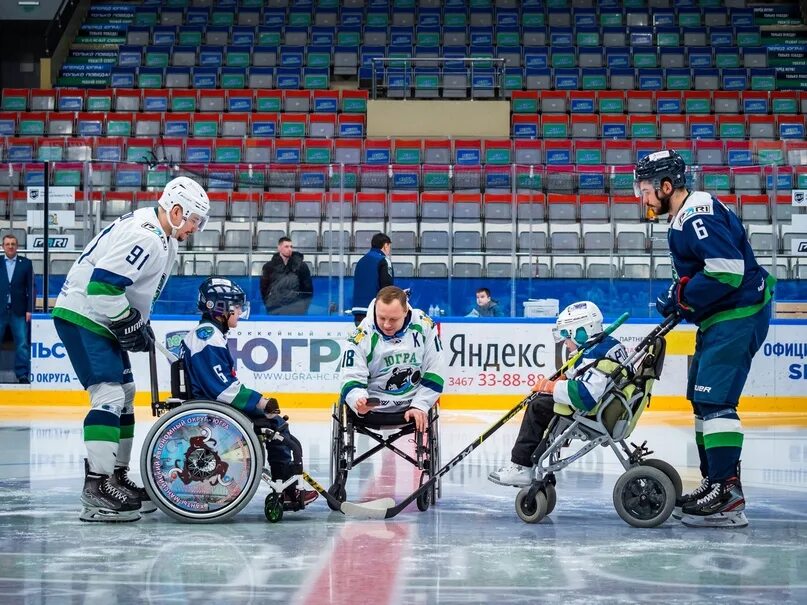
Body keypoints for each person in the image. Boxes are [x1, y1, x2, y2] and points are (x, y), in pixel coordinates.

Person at [52, 176, 210, 522]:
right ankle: (96, 487)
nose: (197, 227)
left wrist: (138, 322)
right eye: (196, 219)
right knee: (108, 395)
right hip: (85, 314)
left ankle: (114, 476)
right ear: (178, 210)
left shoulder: (164, 236)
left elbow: (132, 291)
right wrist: (127, 322)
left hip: (101, 316)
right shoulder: (146, 235)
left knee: (125, 391)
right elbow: (102, 288)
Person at [636, 149, 775, 529]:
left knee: (715, 401)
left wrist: (682, 296)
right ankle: (715, 482)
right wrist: (683, 295)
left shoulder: (698, 215)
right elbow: (704, 274)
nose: (643, 199)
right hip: (722, 317)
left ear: (667, 186)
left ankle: (728, 494)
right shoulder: (686, 216)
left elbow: (727, 272)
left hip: (739, 314)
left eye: (646, 190)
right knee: (702, 400)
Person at [180, 277, 317, 510]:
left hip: (212, 406)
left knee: (276, 424)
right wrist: (261, 402)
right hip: (213, 411)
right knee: (276, 426)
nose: (240, 310)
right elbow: (223, 390)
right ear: (219, 308)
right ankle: (287, 490)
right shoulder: (207, 337)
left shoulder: (209, 334)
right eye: (236, 306)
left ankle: (287, 487)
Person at [489, 301, 626, 487]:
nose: (565, 341)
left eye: (566, 334)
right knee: (542, 400)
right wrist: (564, 378)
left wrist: (551, 387)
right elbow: (589, 377)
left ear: (581, 331)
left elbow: (586, 395)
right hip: (607, 406)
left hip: (594, 412)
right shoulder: (608, 346)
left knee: (537, 406)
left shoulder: (595, 353)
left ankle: (521, 467)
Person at [340, 285, 445, 434]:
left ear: (405, 311)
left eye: (393, 319)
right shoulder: (361, 335)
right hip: (372, 408)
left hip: (411, 406)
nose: (387, 324)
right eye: (382, 318)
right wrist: (358, 400)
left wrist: (420, 405)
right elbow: (350, 375)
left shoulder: (424, 325)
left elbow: (435, 370)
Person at [0, 234, 34, 383]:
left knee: (22, 344)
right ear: (3, 247)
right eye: (7, 244)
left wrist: (29, 309)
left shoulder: (26, 263)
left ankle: (22, 375)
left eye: (13, 244)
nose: (10, 246)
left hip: (19, 310)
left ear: (17, 246)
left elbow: (31, 287)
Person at [259, 236, 313, 315]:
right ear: (279, 248)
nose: (290, 249)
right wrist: (269, 304)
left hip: (296, 309)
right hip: (275, 308)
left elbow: (308, 288)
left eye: (291, 246)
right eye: (286, 246)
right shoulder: (269, 267)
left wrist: (303, 307)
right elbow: (264, 288)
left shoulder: (301, 266)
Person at [351, 233, 393, 326]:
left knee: (362, 339)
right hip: (374, 311)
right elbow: (387, 287)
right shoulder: (383, 260)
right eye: (389, 246)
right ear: (385, 245)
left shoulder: (361, 261)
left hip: (358, 311)